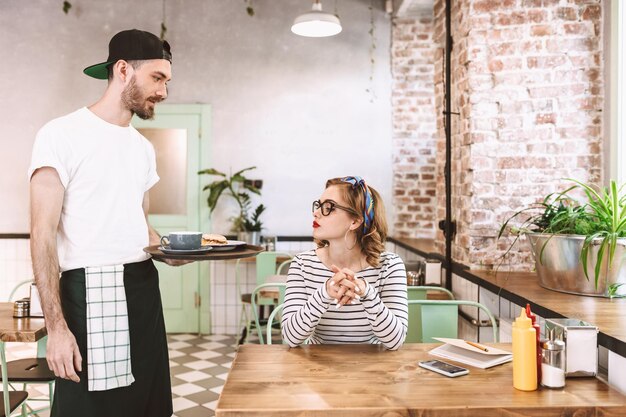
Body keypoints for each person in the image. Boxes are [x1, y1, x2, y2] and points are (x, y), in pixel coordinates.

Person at [29, 29, 177, 417]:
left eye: (166, 81)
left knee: (148, 402)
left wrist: (173, 252)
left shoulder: (143, 149)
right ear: (124, 70)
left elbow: (141, 228)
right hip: (88, 290)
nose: (163, 91)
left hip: (143, 286)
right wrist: (56, 329)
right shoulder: (60, 135)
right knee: (90, 408)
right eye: (157, 78)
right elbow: (41, 237)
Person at [281, 176, 408, 350]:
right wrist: (325, 292)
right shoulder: (303, 264)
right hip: (315, 369)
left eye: (328, 207)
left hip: (374, 369)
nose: (316, 213)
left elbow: (395, 342)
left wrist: (366, 293)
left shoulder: (390, 266)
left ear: (355, 221)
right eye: (318, 205)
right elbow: (291, 338)